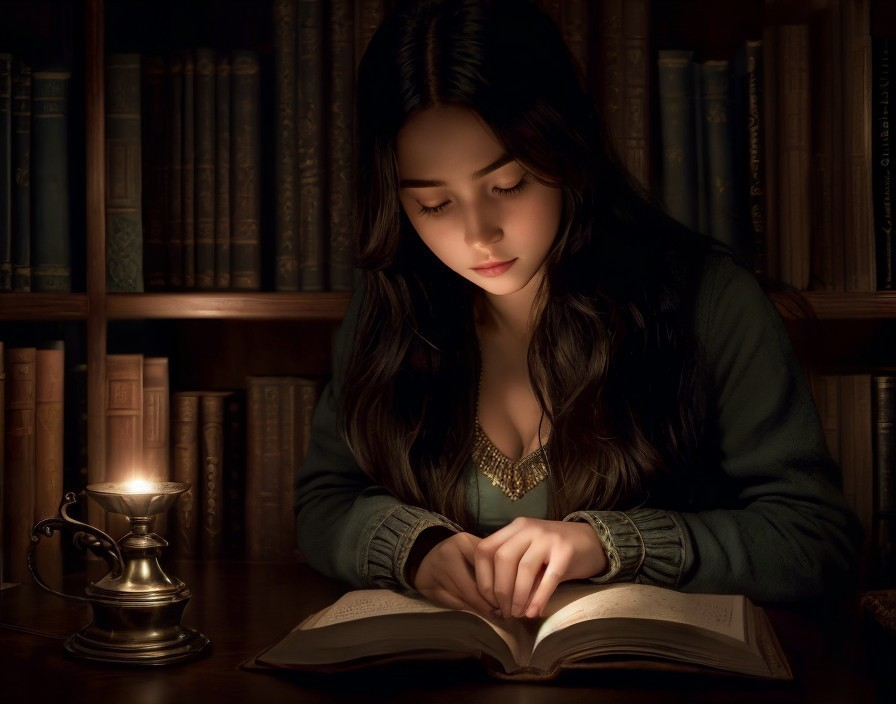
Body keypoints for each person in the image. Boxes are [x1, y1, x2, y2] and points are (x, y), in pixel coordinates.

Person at [295, 0, 861, 620]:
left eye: (507, 185)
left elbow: (814, 539)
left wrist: (609, 545)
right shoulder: (392, 306)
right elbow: (325, 501)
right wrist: (412, 548)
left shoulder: (708, 300)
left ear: (564, 150)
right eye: (434, 204)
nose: (479, 235)